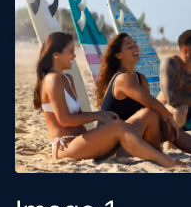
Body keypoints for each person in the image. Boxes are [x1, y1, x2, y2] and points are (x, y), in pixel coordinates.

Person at [34, 31, 179, 168]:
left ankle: (157, 155)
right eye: (70, 52)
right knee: (118, 126)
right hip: (66, 146)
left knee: (148, 115)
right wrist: (98, 115)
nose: (74, 56)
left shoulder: (67, 78)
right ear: (56, 55)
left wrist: (101, 116)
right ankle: (163, 160)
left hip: (84, 139)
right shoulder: (51, 80)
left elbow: (76, 114)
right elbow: (64, 119)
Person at [96, 32, 191, 158]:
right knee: (160, 118)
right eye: (129, 46)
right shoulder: (122, 78)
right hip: (112, 139)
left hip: (134, 131)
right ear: (118, 55)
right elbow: (151, 103)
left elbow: (147, 109)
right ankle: (163, 149)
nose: (135, 48)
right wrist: (171, 120)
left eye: (135, 44)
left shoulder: (141, 78)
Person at [162, 28, 191, 134]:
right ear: (185, 50)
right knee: (181, 109)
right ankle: (170, 142)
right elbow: (172, 100)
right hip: (165, 116)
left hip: (190, 116)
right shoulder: (171, 64)